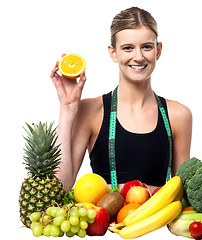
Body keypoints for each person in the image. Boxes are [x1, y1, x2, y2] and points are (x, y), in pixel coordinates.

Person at [50, 7, 192, 194]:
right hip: (104, 223)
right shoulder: (91, 111)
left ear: (158, 51)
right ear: (113, 53)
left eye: (147, 47)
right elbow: (61, 186)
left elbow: (184, 191)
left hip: (156, 224)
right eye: (127, 48)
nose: (139, 57)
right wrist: (67, 109)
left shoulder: (178, 115)